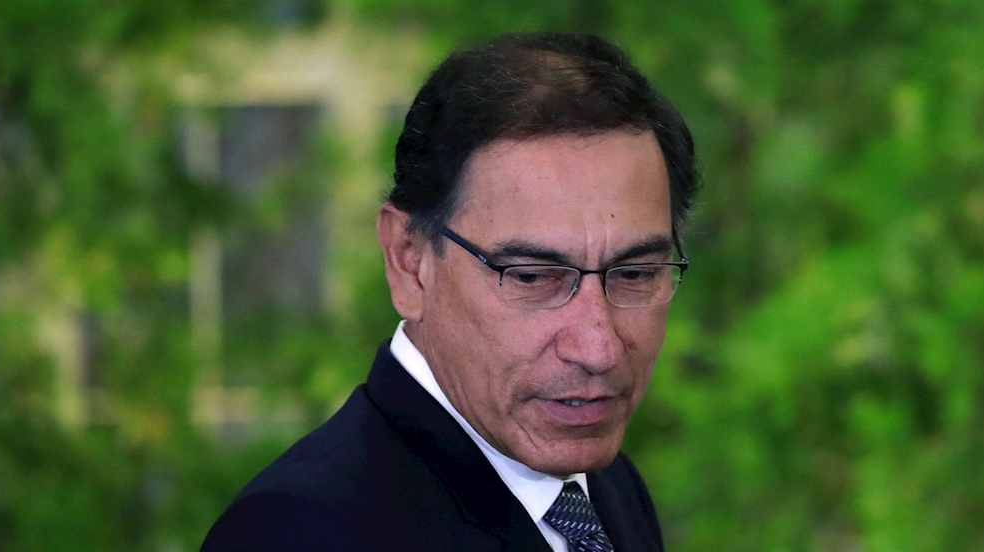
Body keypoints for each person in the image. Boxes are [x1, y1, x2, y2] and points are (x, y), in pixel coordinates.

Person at [202, 31, 698, 552]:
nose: (599, 349)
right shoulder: (297, 532)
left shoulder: (608, 488)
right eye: (532, 277)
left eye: (635, 274)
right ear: (409, 262)